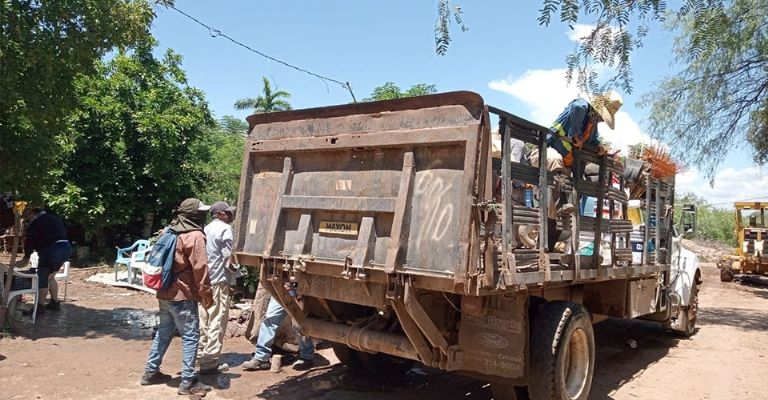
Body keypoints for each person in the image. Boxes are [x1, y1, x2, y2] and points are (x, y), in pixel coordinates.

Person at [141, 198, 214, 396]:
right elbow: (201, 268)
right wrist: (207, 294)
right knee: (191, 336)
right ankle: (188, 382)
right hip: (183, 295)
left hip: (164, 293)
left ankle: (150, 372)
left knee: (164, 332)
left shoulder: (170, 230)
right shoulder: (195, 236)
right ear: (194, 214)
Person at [198, 201, 238, 375]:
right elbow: (228, 258)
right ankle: (210, 362)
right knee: (217, 319)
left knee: (203, 319)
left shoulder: (205, 229)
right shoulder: (225, 229)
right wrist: (236, 273)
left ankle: (200, 354)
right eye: (228, 212)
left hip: (204, 281)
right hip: (219, 281)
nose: (231, 215)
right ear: (220, 214)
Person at [241, 289, 315, 371]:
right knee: (270, 318)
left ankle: (306, 355)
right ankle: (261, 357)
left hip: (299, 289)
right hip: (281, 288)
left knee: (299, 323)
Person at [548, 91, 623, 168]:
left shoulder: (592, 124)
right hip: (548, 150)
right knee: (554, 159)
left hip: (567, 165)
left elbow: (593, 142)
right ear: (596, 110)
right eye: (602, 116)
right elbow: (578, 107)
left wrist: (601, 148)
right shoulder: (582, 106)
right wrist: (575, 134)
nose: (602, 120)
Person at [21, 207, 72, 312]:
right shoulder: (54, 218)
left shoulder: (37, 222)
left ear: (32, 212)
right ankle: (54, 303)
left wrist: (26, 257)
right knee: (51, 276)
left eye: (26, 216)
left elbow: (30, 240)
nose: (26, 218)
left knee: (42, 278)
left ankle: (39, 306)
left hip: (51, 250)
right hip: (66, 248)